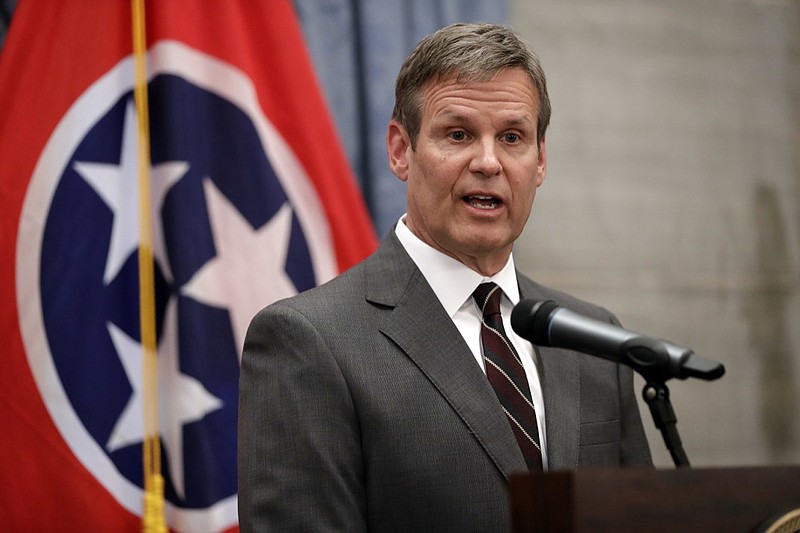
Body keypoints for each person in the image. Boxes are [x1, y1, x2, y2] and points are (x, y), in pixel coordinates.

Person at [238, 22, 652, 532]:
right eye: (457, 134)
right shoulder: (308, 341)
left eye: (512, 137)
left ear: (540, 160)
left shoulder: (594, 339)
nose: (487, 162)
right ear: (399, 150)